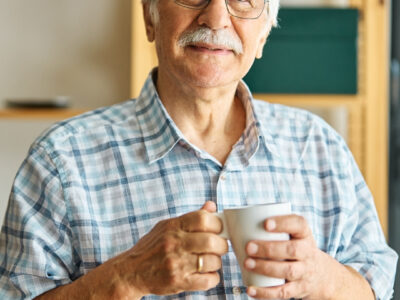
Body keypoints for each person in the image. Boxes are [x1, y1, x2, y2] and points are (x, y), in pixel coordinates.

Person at [0, 0, 397, 299]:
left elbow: (372, 288)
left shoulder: (320, 145)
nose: (216, 18)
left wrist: (319, 275)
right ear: (149, 16)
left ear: (264, 35)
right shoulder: (59, 160)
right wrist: (125, 277)